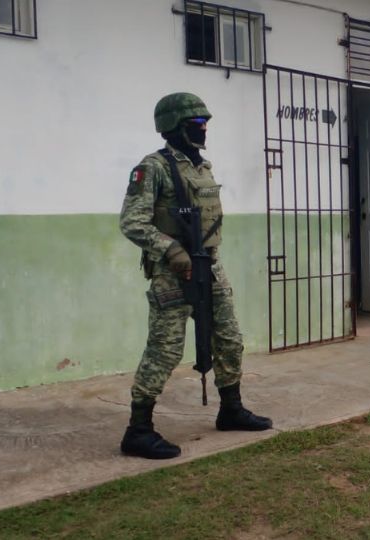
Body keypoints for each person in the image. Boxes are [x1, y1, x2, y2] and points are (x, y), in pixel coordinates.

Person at [118, 92, 271, 459]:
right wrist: (171, 250)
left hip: (209, 266)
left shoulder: (202, 168)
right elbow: (131, 222)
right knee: (165, 350)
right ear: (173, 127)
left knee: (229, 340)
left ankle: (230, 409)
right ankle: (138, 430)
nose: (203, 131)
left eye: (205, 125)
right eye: (195, 125)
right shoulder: (152, 167)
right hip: (173, 273)